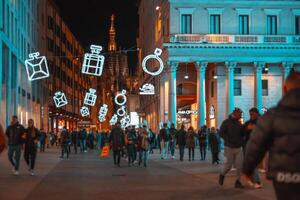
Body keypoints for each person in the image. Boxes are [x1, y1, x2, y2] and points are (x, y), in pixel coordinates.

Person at [243, 70, 300, 200]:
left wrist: (248, 169)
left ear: (285, 89)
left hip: (284, 176)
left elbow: (256, 146)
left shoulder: (272, 116)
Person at [218, 108, 244, 189]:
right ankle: (222, 174)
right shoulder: (226, 122)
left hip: (238, 147)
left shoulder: (239, 123)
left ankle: (238, 181)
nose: (241, 115)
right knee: (229, 165)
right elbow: (221, 132)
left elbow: (242, 134)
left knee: (240, 165)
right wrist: (228, 139)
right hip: (229, 147)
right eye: (240, 114)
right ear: (235, 113)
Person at [242, 107, 262, 189]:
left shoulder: (261, 122)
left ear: (256, 113)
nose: (251, 116)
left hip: (256, 145)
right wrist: (247, 129)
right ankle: (251, 179)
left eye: (252, 114)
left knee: (253, 163)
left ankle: (257, 181)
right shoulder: (248, 123)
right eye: (250, 114)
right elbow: (243, 132)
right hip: (247, 144)